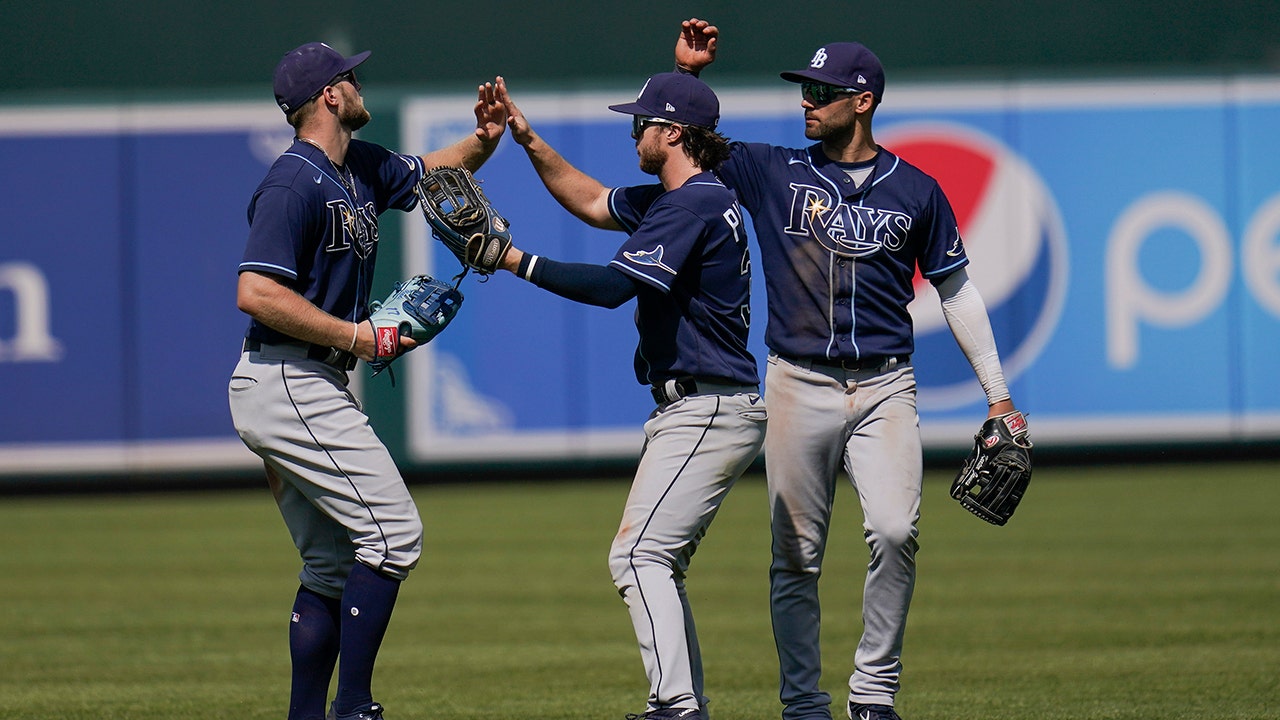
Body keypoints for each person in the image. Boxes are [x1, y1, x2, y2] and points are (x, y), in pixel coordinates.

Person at [673, 20, 1027, 720]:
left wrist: (999, 397)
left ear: (862, 101)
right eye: (806, 88)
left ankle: (873, 695)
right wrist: (688, 77)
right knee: (797, 556)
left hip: (886, 385)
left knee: (895, 531)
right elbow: (689, 143)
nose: (808, 100)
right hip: (796, 381)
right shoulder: (775, 170)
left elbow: (954, 287)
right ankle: (804, 703)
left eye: (823, 91)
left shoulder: (917, 190)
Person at [227, 42, 507, 720]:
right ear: (328, 95)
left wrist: (485, 138)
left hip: (303, 380)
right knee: (393, 535)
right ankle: (353, 705)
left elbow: (437, 172)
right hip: (288, 377)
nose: (358, 83)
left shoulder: (360, 167)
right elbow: (256, 292)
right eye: (349, 76)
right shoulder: (294, 181)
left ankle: (308, 714)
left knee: (328, 564)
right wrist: (357, 336)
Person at [492, 72, 767, 720]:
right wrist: (528, 140)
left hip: (708, 405)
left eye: (642, 122)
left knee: (638, 554)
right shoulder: (685, 197)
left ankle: (676, 706)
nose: (633, 130)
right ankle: (682, 701)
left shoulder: (691, 204)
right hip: (707, 404)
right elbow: (589, 200)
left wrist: (513, 259)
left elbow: (615, 289)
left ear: (673, 133)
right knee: (656, 562)